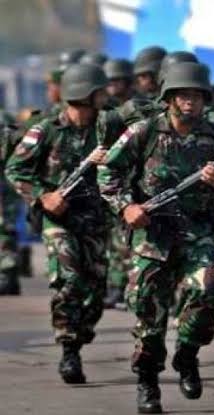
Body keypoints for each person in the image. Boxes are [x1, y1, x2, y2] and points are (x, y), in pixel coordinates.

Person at [98, 62, 214, 413]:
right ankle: (148, 381)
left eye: (196, 96)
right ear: (169, 98)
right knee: (149, 315)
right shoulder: (144, 132)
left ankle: (187, 353)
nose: (190, 102)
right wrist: (126, 207)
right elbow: (108, 172)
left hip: (197, 231)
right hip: (153, 236)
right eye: (183, 95)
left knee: (210, 289)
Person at [5, 63, 111, 385]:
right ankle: (69, 348)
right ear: (86, 94)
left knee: (95, 290)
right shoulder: (46, 129)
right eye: (100, 91)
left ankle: (80, 333)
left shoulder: (108, 128)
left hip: (95, 219)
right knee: (68, 279)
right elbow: (15, 170)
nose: (105, 95)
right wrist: (43, 196)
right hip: (58, 219)